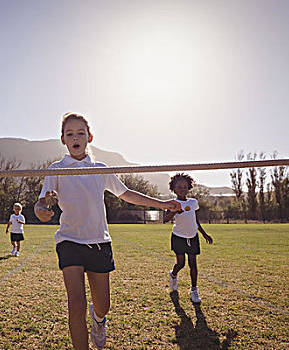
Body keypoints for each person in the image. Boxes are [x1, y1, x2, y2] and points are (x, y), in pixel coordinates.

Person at [34, 112, 182, 350]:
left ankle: (99, 319)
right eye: (69, 133)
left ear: (89, 137)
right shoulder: (57, 168)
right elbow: (43, 202)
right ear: (62, 139)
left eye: (80, 133)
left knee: (102, 305)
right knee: (76, 304)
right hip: (69, 241)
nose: (75, 137)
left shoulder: (100, 169)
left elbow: (126, 194)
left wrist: (162, 204)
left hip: (100, 243)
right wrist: (42, 209)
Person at [163, 173, 213, 303]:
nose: (183, 189)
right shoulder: (173, 203)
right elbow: (165, 219)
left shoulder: (193, 202)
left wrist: (204, 234)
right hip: (178, 237)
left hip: (193, 236)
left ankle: (194, 290)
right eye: (179, 187)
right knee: (181, 264)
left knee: (193, 265)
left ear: (189, 187)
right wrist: (174, 210)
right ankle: (173, 275)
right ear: (174, 189)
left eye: (185, 187)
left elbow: (196, 220)